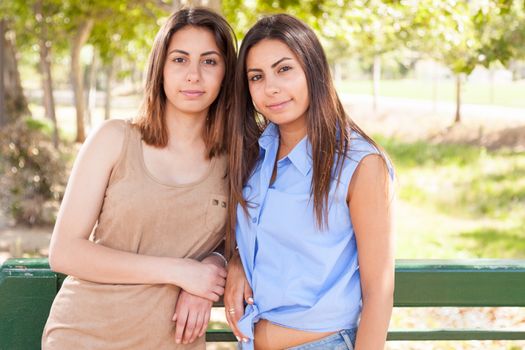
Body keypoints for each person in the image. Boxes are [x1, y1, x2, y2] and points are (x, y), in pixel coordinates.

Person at [42, 8, 237, 349]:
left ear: (226, 74)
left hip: (174, 341)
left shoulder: (236, 159)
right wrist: (179, 271)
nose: (193, 75)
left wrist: (213, 265)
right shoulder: (114, 138)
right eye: (179, 60)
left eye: (209, 61)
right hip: (84, 334)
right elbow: (64, 252)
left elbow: (247, 242)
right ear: (160, 68)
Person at [224, 14, 395, 350]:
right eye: (256, 77)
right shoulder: (255, 154)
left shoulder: (359, 164)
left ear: (313, 70)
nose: (270, 87)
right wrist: (237, 261)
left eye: (284, 69)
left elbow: (379, 292)